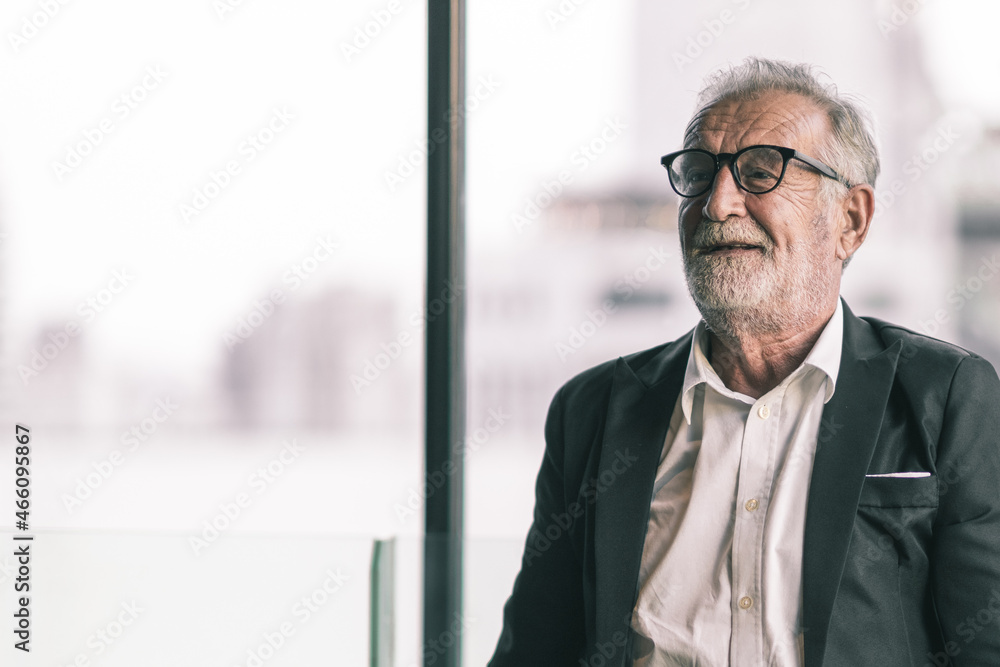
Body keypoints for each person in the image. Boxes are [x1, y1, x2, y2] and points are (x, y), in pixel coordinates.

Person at [488, 57, 1000, 666]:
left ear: (851, 220)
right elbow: (537, 650)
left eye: (761, 172)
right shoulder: (594, 410)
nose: (717, 202)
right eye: (699, 175)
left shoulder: (945, 397)